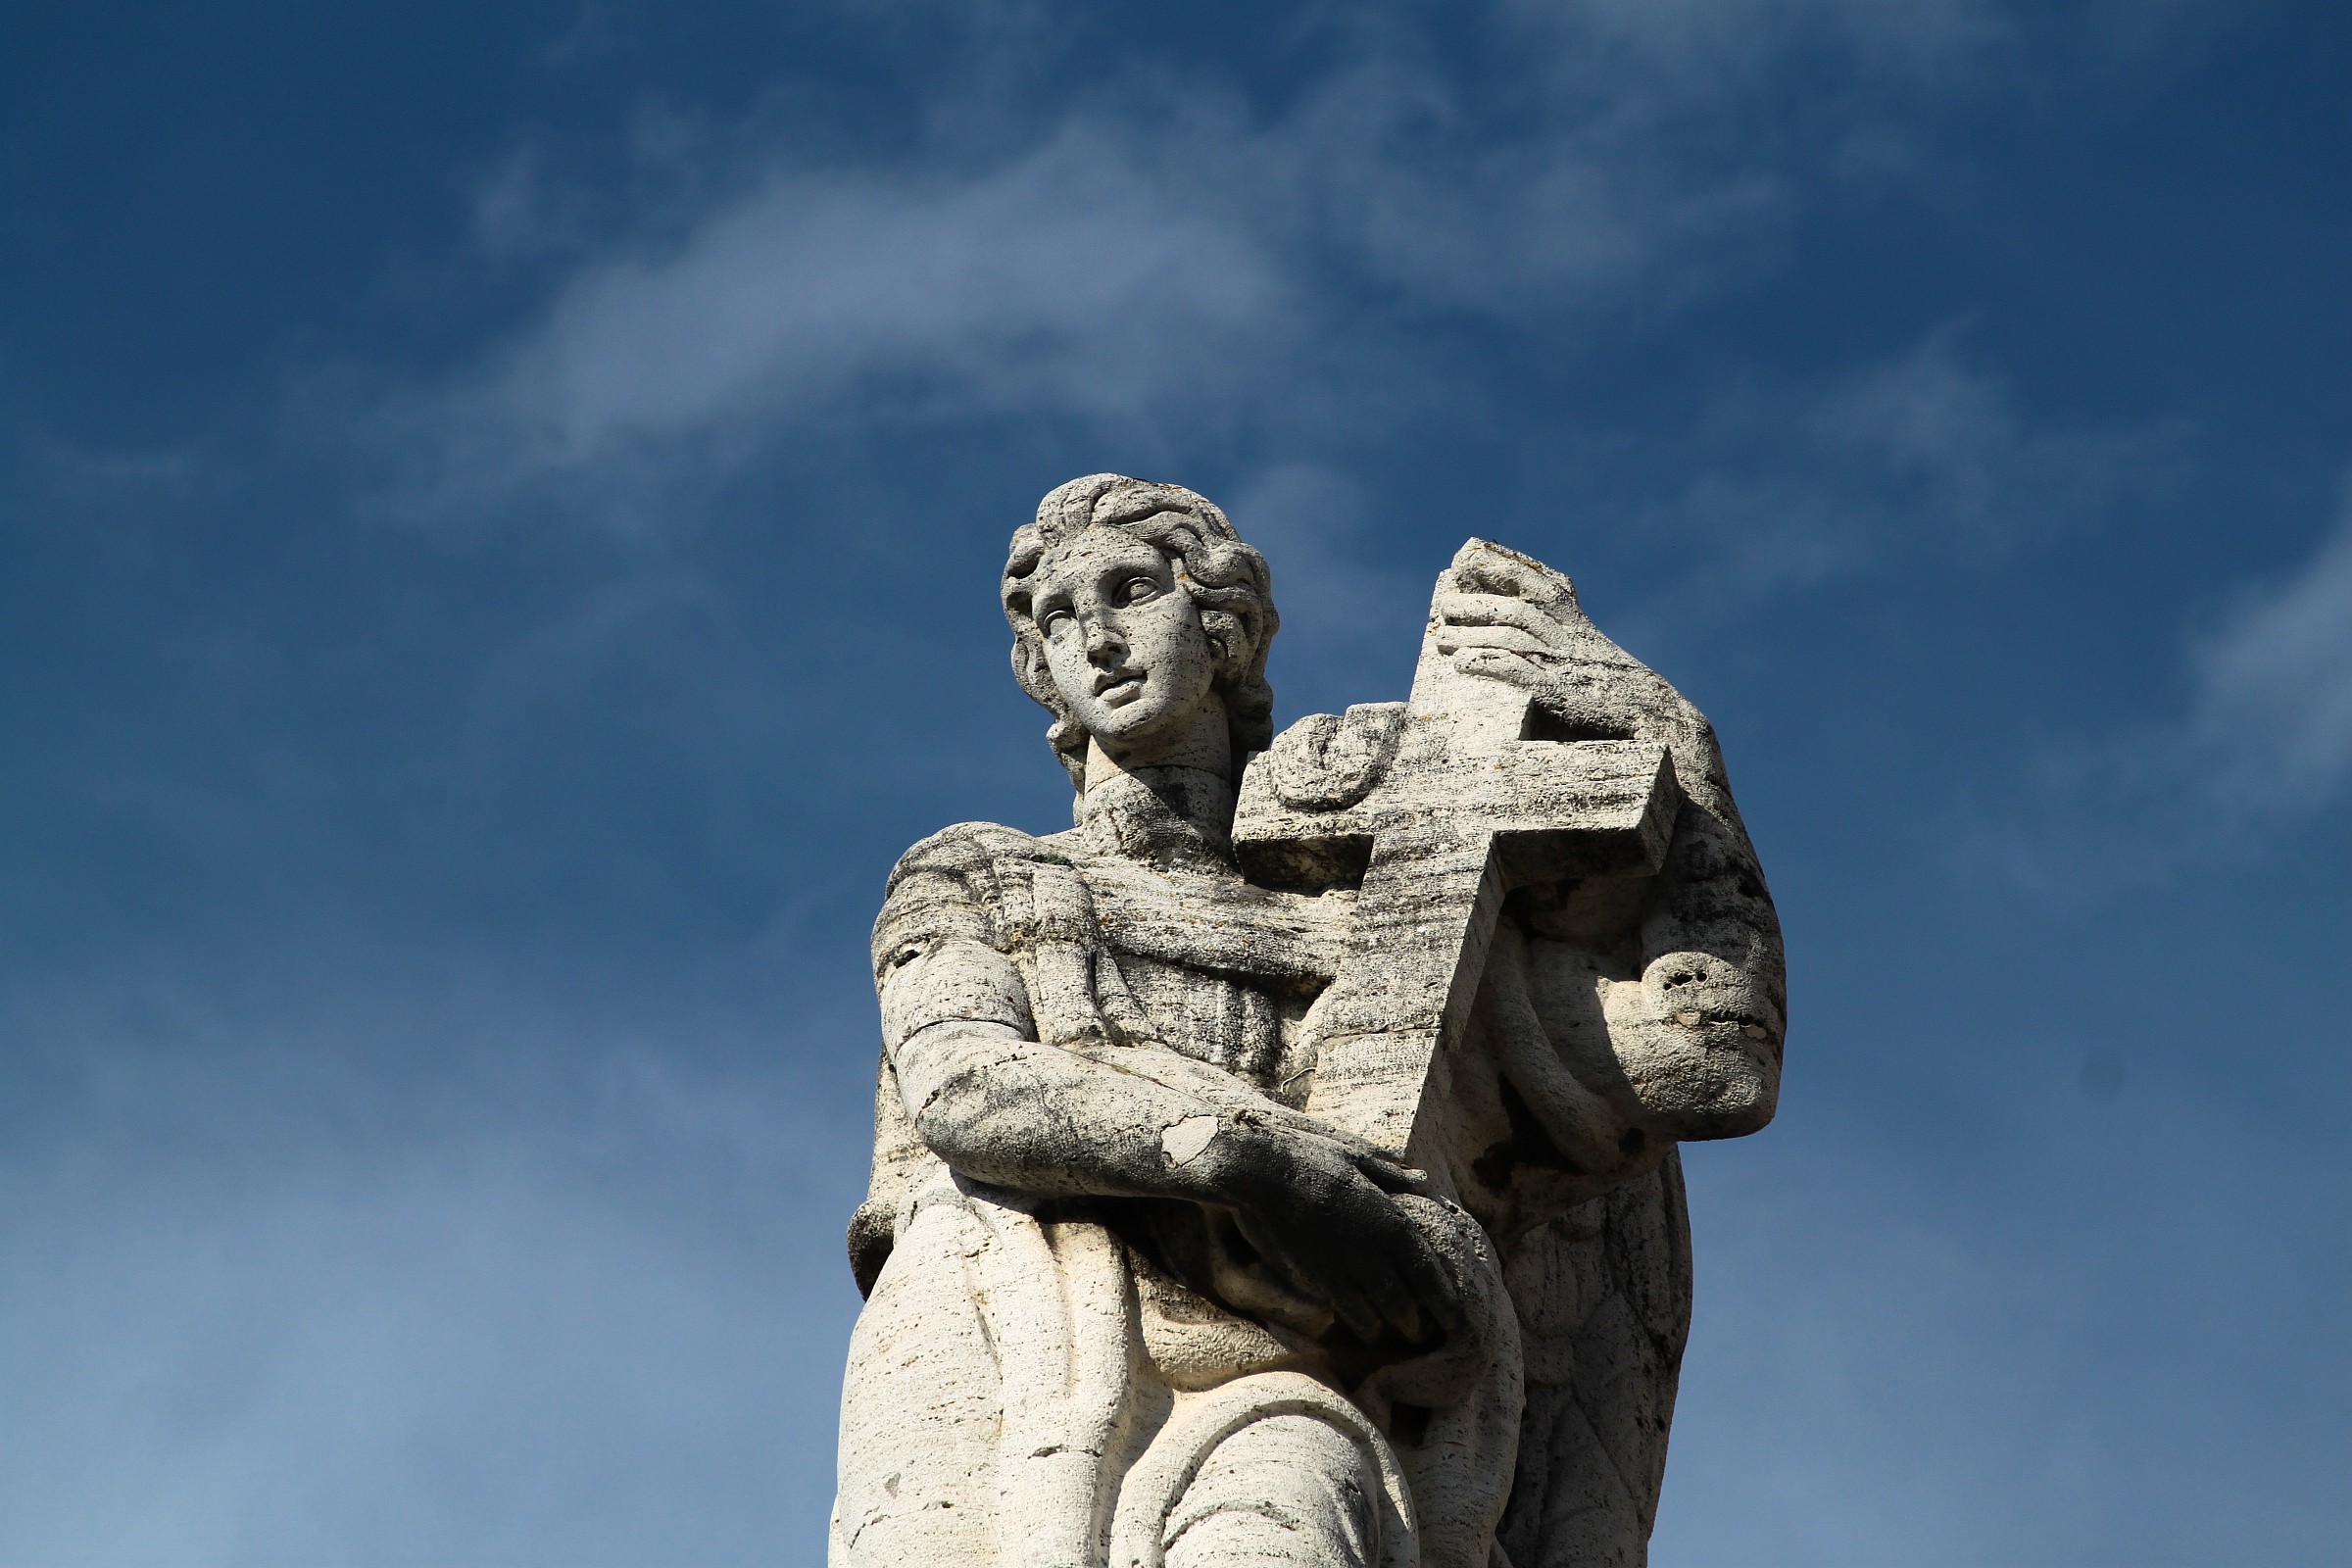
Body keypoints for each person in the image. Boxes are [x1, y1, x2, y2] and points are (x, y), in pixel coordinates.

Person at [831, 474, 1784, 1568]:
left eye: (1133, 591)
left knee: (1295, 1492)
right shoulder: (981, 874)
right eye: (1057, 620)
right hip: (1029, 1359)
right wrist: (1253, 1160)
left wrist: (1673, 737)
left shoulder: (1387, 939)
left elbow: (1710, 1062)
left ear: (1224, 625)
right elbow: (968, 1085)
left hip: (1292, 1392)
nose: (1094, 640)